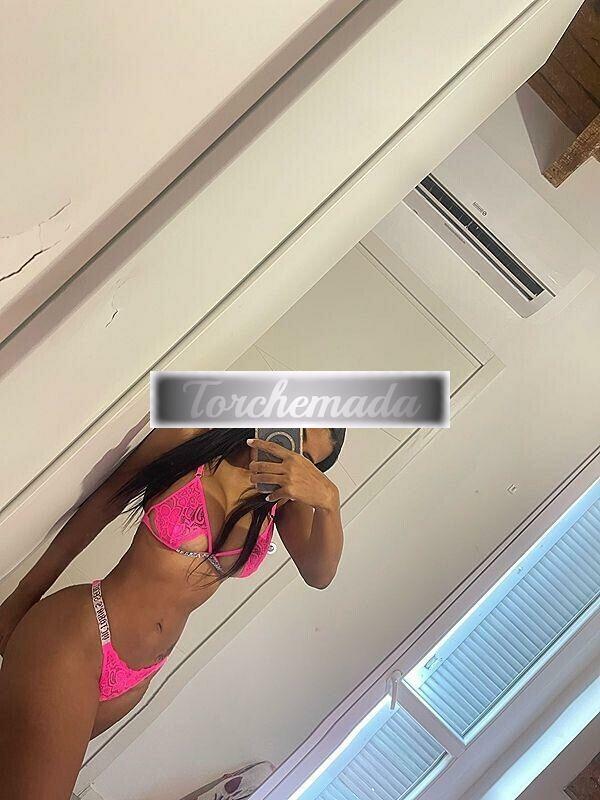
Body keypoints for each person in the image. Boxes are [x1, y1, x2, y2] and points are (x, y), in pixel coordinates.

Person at [0, 427, 346, 800]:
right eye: (296, 434)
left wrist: (329, 500)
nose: (289, 455)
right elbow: (102, 506)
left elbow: (319, 574)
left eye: (306, 460)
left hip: (133, 681)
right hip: (82, 638)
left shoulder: (281, 503)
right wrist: (23, 596)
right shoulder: (191, 437)